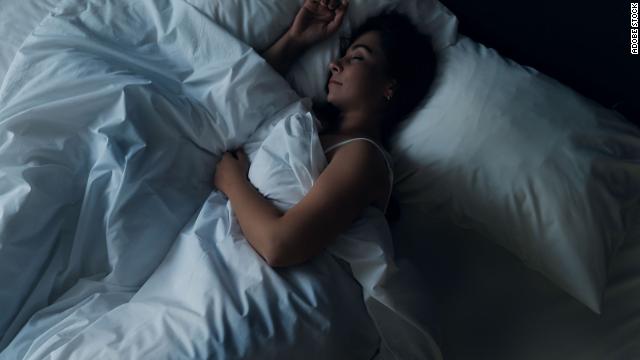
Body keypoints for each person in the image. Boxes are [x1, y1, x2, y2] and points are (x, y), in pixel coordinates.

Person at [213, 0, 436, 268]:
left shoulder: (364, 156)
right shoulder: (311, 123)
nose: (334, 64)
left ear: (389, 86)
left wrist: (232, 183)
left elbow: (280, 246)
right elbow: (243, 97)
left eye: (357, 57)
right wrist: (296, 39)